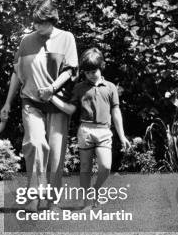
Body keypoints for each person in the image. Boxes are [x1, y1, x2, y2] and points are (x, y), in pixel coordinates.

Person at [0, 0, 78, 210]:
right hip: (31, 100)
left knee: (56, 152)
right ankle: (34, 197)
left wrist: (52, 89)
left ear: (52, 20)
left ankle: (52, 201)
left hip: (57, 102)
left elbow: (70, 70)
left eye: (41, 23)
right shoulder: (26, 41)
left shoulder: (66, 38)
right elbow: (17, 72)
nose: (36, 27)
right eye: (35, 22)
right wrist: (7, 102)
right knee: (34, 144)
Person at [50, 47, 131, 206]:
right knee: (85, 168)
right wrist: (52, 98)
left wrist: (122, 136)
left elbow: (116, 112)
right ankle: (86, 201)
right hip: (85, 131)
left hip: (104, 131)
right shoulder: (79, 88)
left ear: (101, 67)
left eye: (94, 71)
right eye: (87, 73)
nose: (91, 75)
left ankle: (95, 190)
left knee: (106, 166)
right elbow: (71, 109)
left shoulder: (110, 87)